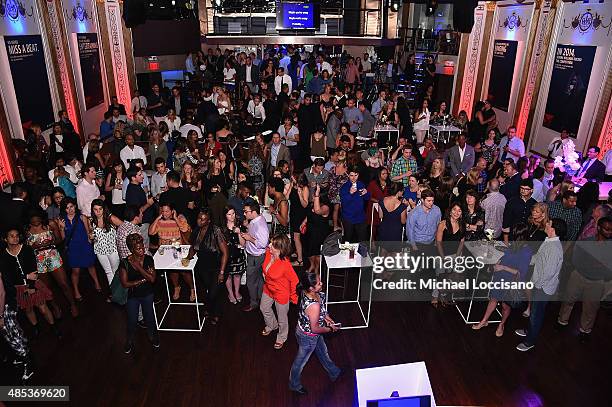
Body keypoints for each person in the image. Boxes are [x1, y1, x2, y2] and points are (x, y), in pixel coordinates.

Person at [472, 223, 533, 337]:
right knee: (493, 299)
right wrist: (498, 262)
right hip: (499, 277)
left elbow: (521, 273)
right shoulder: (513, 245)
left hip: (510, 281)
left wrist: (503, 267)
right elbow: (506, 257)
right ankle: (484, 321)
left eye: (514, 234)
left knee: (505, 306)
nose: (512, 236)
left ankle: (502, 324)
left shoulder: (527, 252)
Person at [515, 218, 567, 351]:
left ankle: (530, 341)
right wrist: (525, 260)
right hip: (538, 284)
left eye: (548, 223)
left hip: (543, 288)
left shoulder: (554, 248)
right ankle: (529, 330)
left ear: (553, 229)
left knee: (537, 314)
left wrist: (536, 285)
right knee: (534, 312)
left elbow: (548, 273)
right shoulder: (548, 241)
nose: (546, 224)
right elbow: (538, 258)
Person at [557, 217, 612, 341]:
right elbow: (576, 260)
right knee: (568, 300)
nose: (609, 232)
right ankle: (562, 322)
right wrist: (597, 265)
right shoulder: (587, 242)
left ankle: (585, 331)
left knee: (590, 308)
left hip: (597, 282)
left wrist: (598, 269)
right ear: (598, 228)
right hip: (578, 275)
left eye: (611, 230)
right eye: (607, 229)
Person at [288, 271, 342, 395]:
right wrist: (331, 329)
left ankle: (334, 372)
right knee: (300, 362)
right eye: (318, 283)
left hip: (308, 332)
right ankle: (294, 385)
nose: (321, 283)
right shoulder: (313, 306)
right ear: (311, 288)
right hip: (308, 337)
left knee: (323, 352)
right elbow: (315, 329)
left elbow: (321, 310)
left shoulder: (309, 292)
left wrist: (327, 318)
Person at [1, 228, 59, 337]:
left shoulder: (26, 249)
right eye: (11, 236)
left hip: (33, 283)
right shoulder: (3, 256)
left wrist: (31, 286)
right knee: (28, 310)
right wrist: (25, 276)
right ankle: (36, 328)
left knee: (42, 307)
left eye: (17, 235)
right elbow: (8, 276)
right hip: (19, 287)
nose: (15, 238)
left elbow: (34, 269)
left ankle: (54, 327)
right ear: (5, 239)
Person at [187, 209, 228, 325]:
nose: (199, 221)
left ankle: (214, 312)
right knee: (209, 290)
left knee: (214, 292)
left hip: (216, 266)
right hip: (203, 266)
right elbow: (193, 247)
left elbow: (225, 252)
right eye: (198, 218)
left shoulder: (216, 231)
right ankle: (210, 308)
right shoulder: (196, 230)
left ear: (208, 221)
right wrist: (187, 258)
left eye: (202, 219)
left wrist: (222, 272)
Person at [119, 233, 159, 353]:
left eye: (142, 246)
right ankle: (129, 340)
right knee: (132, 319)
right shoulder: (125, 263)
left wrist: (138, 267)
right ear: (131, 249)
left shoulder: (148, 259)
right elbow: (125, 284)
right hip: (133, 295)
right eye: (138, 248)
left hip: (147, 293)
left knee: (149, 317)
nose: (142, 249)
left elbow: (152, 279)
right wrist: (143, 279)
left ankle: (152, 336)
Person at [260, 234, 299, 350]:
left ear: (280, 249)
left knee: (282, 318)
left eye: (273, 244)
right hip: (268, 288)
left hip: (281, 293)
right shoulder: (268, 253)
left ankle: (282, 337)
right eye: (270, 242)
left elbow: (295, 280)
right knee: (264, 308)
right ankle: (272, 325)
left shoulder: (285, 264)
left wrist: (293, 297)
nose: (269, 245)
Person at [58, 197, 100, 301]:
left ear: (75, 206)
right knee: (75, 271)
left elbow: (88, 232)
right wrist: (61, 228)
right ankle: (76, 291)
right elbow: (63, 238)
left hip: (84, 245)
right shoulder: (62, 220)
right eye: (67, 208)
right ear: (64, 209)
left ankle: (97, 283)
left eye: (71, 206)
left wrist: (90, 242)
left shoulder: (82, 217)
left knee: (91, 266)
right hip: (73, 248)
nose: (70, 209)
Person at [149, 203, 194, 301]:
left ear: (172, 211)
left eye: (167, 211)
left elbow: (185, 229)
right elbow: (151, 232)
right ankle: (176, 287)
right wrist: (157, 218)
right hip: (165, 252)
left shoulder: (180, 218)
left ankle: (192, 289)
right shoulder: (160, 221)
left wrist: (175, 218)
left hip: (177, 249)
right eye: (163, 211)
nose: (164, 214)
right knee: (172, 271)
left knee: (184, 272)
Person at [433, 202, 465, 306]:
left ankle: (443, 295)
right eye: (454, 210)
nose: (456, 212)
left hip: (455, 255)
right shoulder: (443, 224)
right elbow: (438, 242)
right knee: (440, 276)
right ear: (450, 211)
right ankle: (435, 295)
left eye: (459, 210)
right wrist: (443, 258)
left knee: (449, 277)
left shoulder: (462, 224)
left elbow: (462, 241)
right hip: (442, 255)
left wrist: (457, 256)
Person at [240, 202, 269, 312]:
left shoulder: (260, 225)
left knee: (251, 281)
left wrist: (249, 238)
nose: (244, 213)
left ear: (253, 212)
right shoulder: (257, 220)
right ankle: (261, 299)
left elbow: (263, 243)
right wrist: (248, 227)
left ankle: (254, 303)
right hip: (255, 255)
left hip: (256, 257)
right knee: (259, 279)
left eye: (246, 211)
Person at [90, 200, 122, 287]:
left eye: (100, 209)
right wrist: (91, 237)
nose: (98, 212)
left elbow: (124, 227)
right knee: (108, 271)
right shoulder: (92, 221)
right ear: (92, 210)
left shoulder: (110, 218)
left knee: (115, 271)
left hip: (112, 249)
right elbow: (91, 237)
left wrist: (119, 238)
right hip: (100, 250)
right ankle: (114, 292)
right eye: (95, 209)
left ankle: (121, 292)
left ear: (104, 209)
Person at [339, 167, 371, 243]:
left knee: (362, 240)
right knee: (348, 240)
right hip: (348, 217)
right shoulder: (344, 187)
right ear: (348, 175)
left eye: (355, 175)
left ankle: (361, 254)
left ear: (358, 175)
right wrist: (350, 193)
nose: (353, 178)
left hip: (360, 217)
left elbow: (367, 198)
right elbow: (343, 202)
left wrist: (366, 193)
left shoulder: (361, 184)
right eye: (351, 175)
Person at [223, 206, 246, 304]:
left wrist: (239, 233)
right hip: (226, 254)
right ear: (225, 215)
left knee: (237, 275)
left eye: (233, 213)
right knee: (228, 275)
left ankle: (236, 292)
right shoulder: (222, 227)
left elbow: (243, 244)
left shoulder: (239, 224)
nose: (232, 216)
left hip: (238, 254)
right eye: (229, 214)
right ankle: (230, 294)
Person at [502, 179, 536, 244]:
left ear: (531, 190)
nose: (523, 190)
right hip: (512, 235)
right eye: (521, 188)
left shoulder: (534, 203)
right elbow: (506, 221)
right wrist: (506, 241)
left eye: (526, 189)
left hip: (527, 237)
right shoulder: (512, 202)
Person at [377, 183, 408, 252]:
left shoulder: (381, 201)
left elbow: (380, 216)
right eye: (402, 190)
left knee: (383, 252)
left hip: (384, 229)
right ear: (398, 191)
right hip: (395, 231)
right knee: (394, 254)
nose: (403, 192)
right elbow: (403, 221)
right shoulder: (402, 206)